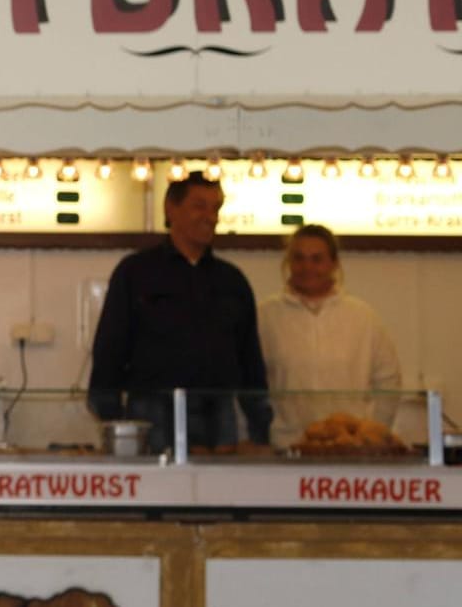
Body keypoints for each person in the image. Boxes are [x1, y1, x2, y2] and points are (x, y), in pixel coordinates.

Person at [89, 173, 271, 451]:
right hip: (151, 413)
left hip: (218, 417)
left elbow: (250, 361)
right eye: (199, 205)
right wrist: (113, 419)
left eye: (216, 208)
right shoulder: (135, 272)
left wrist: (259, 430)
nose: (210, 216)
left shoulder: (232, 280)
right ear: (170, 209)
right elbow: (110, 349)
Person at [259, 224, 404, 448]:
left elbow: (388, 381)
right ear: (288, 263)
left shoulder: (362, 317)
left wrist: (369, 434)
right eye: (299, 258)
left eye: (317, 259)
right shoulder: (265, 316)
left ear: (334, 264)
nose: (307, 267)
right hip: (287, 446)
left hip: (350, 449)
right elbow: (250, 382)